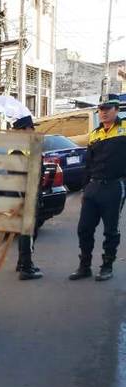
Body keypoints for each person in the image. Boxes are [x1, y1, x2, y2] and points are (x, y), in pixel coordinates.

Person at [69, 94, 126, 282]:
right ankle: (84, 266)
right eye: (101, 109)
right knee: (84, 229)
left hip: (114, 187)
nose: (103, 112)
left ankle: (107, 266)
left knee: (111, 230)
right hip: (93, 187)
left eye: (107, 109)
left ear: (117, 110)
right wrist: (85, 188)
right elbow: (88, 163)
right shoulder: (95, 134)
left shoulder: (124, 129)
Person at [12, 115, 43, 280]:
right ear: (23, 130)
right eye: (31, 127)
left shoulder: (25, 147)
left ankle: (22, 262)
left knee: (27, 232)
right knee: (28, 233)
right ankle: (26, 267)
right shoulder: (18, 151)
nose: (33, 130)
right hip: (25, 197)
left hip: (26, 195)